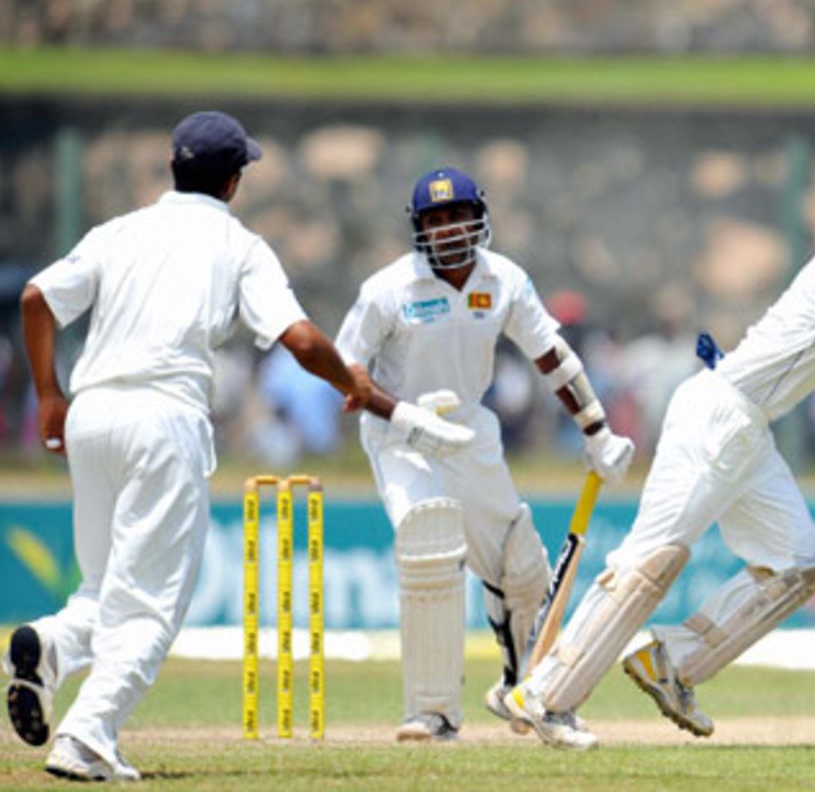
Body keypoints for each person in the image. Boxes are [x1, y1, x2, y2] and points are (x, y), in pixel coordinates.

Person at [4, 111, 473, 782]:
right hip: (163, 418)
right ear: (233, 182)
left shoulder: (119, 230)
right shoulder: (238, 245)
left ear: (172, 167)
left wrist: (49, 394)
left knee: (109, 587)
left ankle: (48, 647)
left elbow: (34, 299)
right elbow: (303, 341)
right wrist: (354, 381)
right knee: (152, 604)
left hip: (92, 416)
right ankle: (86, 737)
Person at [505, 167, 815, 750]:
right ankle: (544, 697)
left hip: (749, 430)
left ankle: (671, 662)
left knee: (792, 564)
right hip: (719, 416)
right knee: (648, 563)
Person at [334, 167, 635, 742]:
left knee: (521, 567)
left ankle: (531, 694)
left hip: (471, 428)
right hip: (401, 433)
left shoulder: (503, 281)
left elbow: (553, 356)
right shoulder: (388, 290)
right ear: (419, 228)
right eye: (435, 220)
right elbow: (346, 372)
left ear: (479, 218)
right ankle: (433, 712)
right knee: (430, 543)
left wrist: (597, 430)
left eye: (457, 216)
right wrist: (404, 415)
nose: (447, 229)